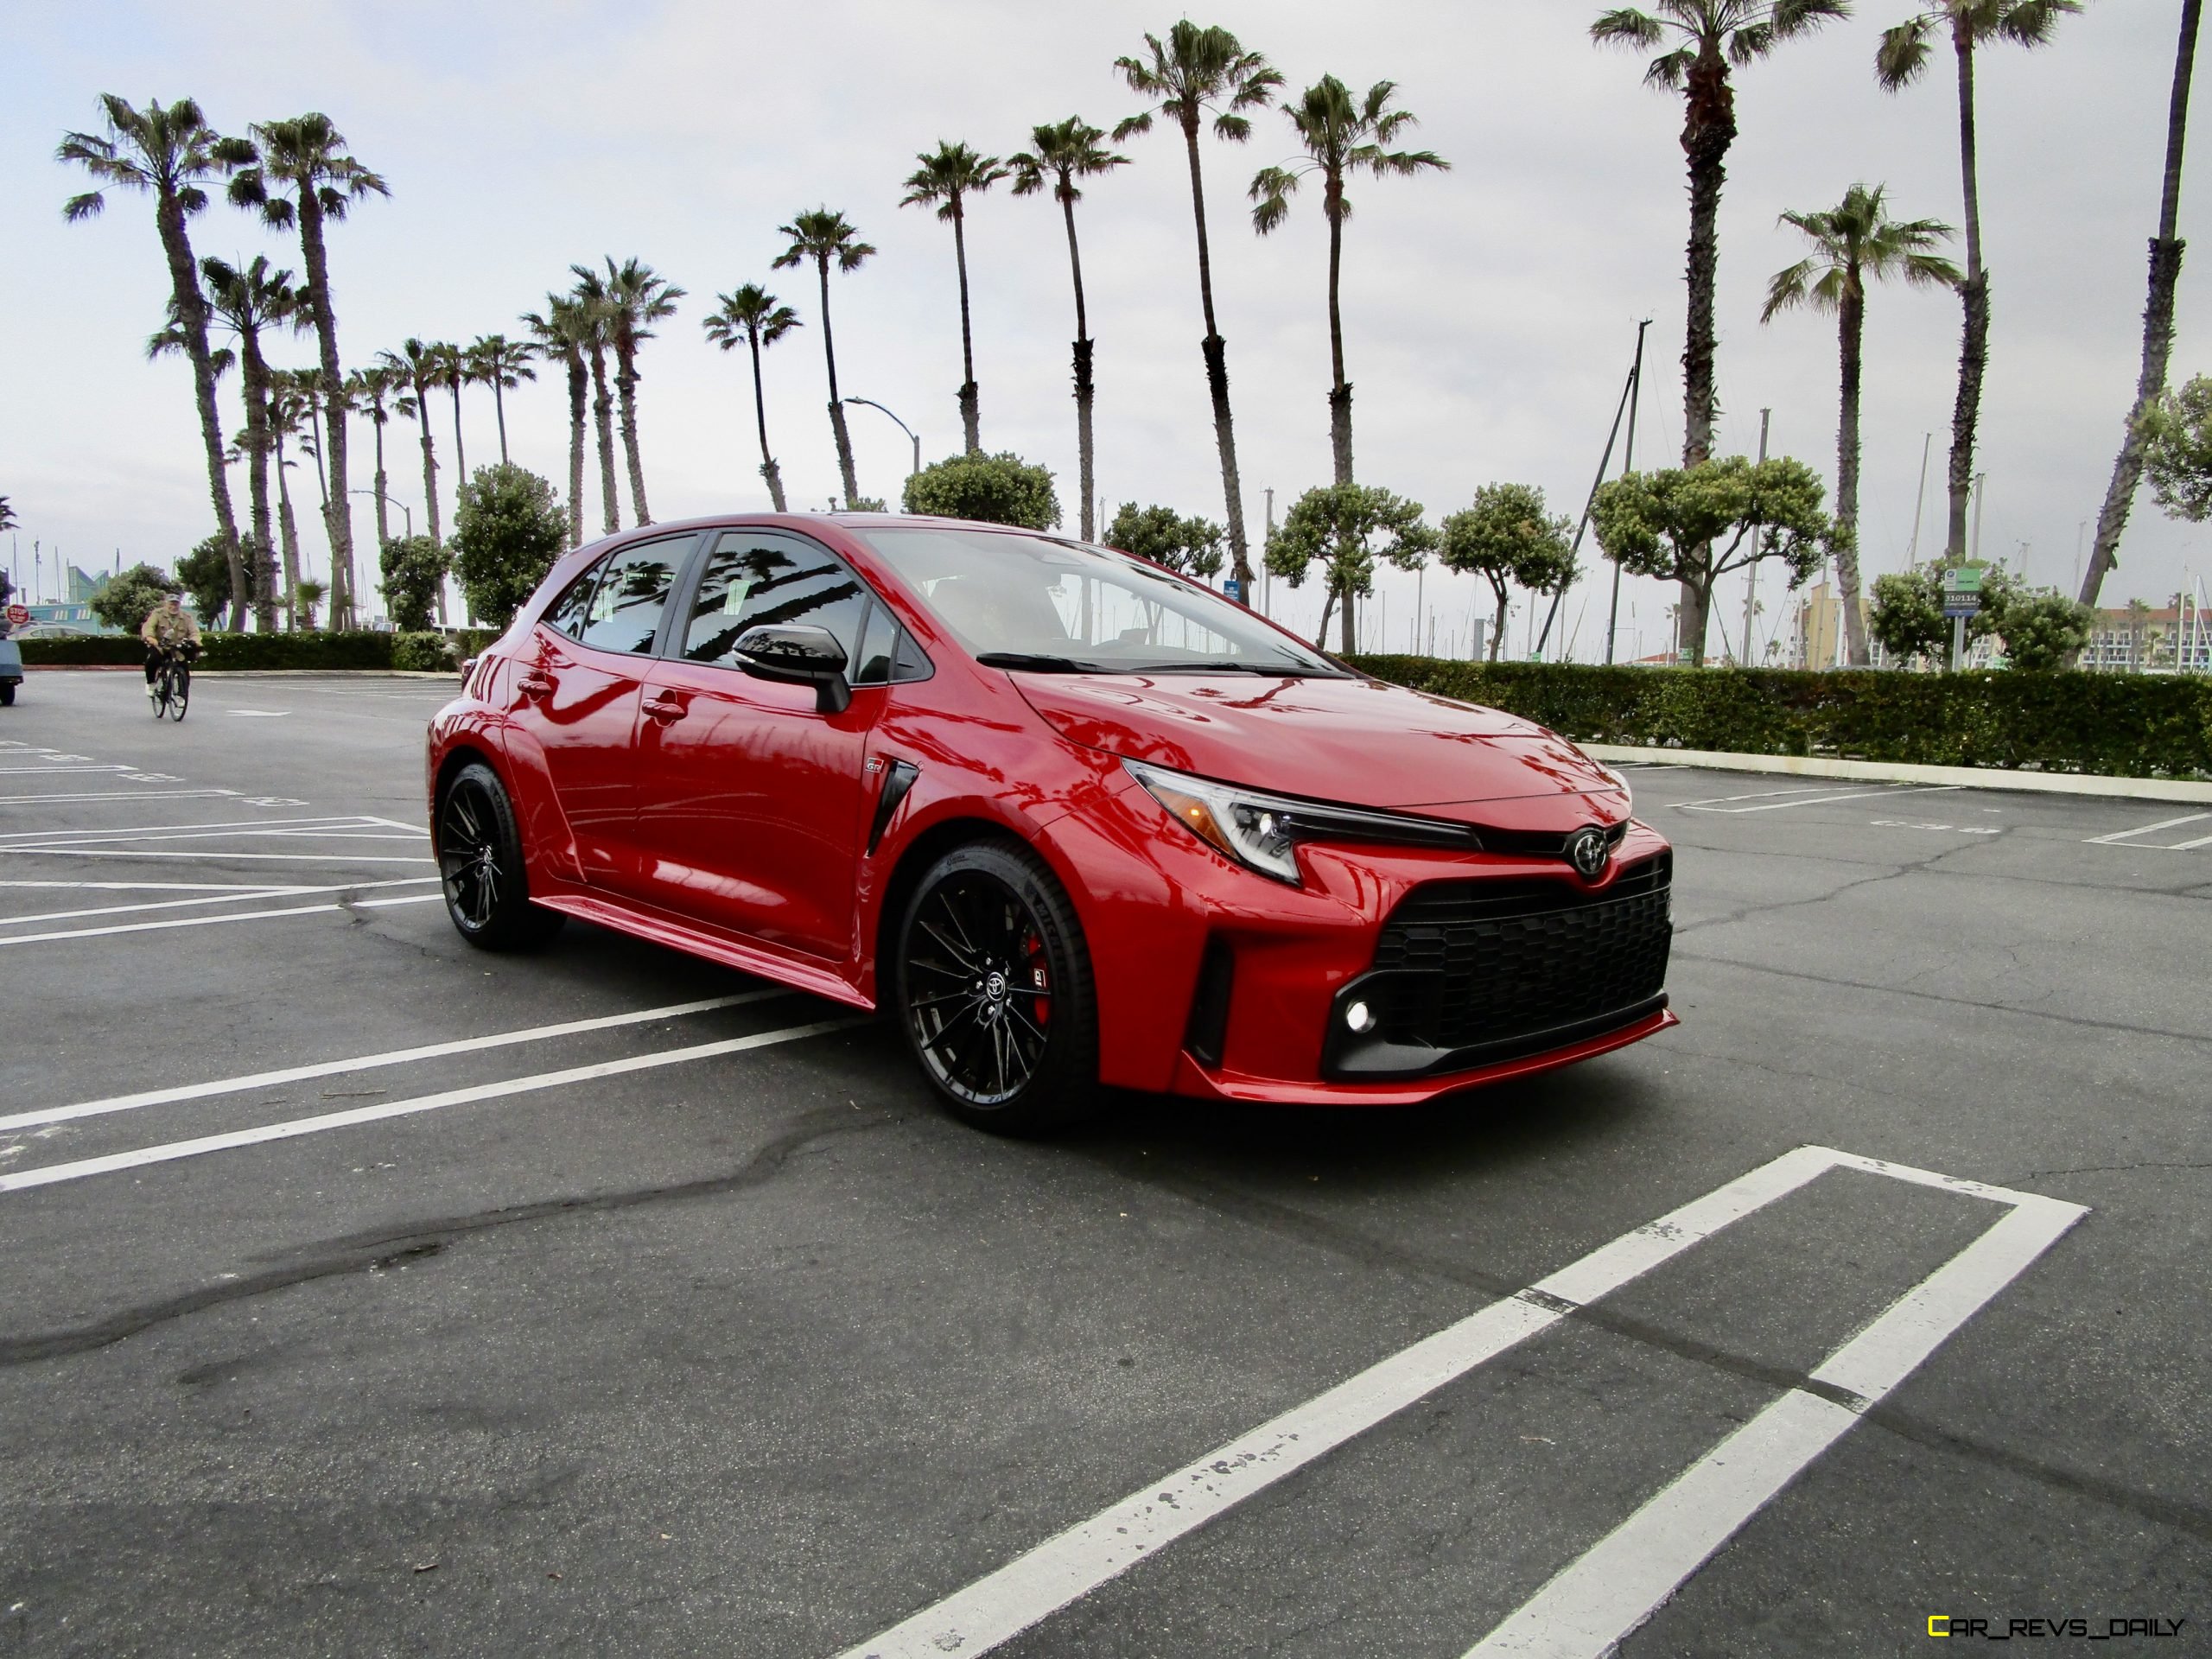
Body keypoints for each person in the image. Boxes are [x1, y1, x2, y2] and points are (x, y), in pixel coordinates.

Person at [141, 592, 201, 699]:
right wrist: (150, 637)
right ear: (166, 604)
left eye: (176, 604)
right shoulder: (158, 614)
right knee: (152, 660)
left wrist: (195, 642)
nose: (174, 607)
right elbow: (149, 627)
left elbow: (194, 632)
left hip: (177, 648)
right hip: (160, 646)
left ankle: (182, 695)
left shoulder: (186, 616)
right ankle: (151, 684)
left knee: (184, 670)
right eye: (171, 604)